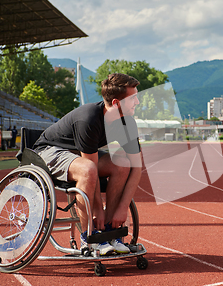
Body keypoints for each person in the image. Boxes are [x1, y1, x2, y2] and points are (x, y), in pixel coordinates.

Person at [33, 73, 142, 255]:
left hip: (79, 154)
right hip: (50, 151)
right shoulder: (89, 119)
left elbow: (137, 168)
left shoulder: (127, 123)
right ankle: (90, 237)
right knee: (88, 168)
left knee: (123, 163)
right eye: (133, 98)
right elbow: (90, 165)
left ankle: (109, 232)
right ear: (116, 103)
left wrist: (122, 209)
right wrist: (97, 209)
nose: (137, 102)